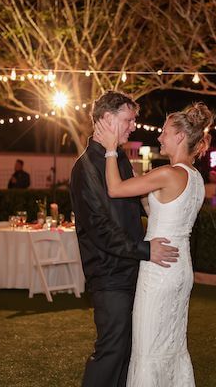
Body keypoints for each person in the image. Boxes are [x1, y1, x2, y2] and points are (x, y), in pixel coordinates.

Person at [94, 101, 213, 386]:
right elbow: (158, 211)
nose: (159, 137)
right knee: (171, 345)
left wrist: (111, 149)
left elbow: (115, 189)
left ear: (181, 137)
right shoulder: (195, 178)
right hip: (181, 267)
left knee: (148, 348)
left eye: (164, 132)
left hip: (159, 270)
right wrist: (143, 187)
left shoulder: (168, 173)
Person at [69, 91, 180, 387]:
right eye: (128, 120)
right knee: (111, 350)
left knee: (128, 351)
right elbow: (100, 229)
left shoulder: (117, 159)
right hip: (108, 274)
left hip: (131, 269)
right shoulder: (85, 168)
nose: (133, 126)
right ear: (106, 119)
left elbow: (131, 212)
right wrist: (146, 250)